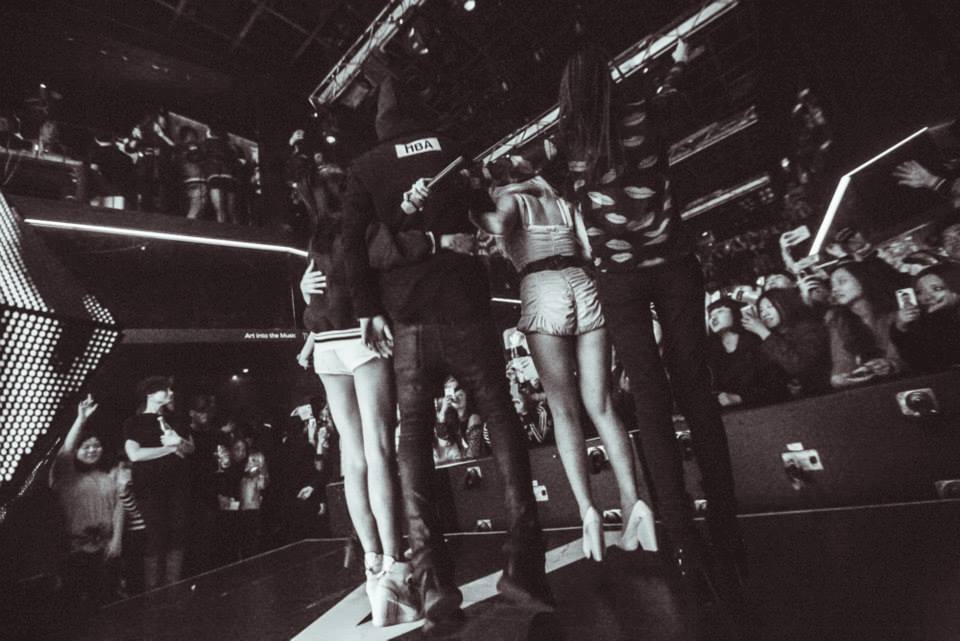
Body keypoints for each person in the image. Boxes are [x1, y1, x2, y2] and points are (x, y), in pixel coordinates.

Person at [342, 76, 550, 633]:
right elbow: (485, 217)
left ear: (381, 118)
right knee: (501, 418)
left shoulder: (365, 167)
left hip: (406, 316)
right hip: (466, 308)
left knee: (412, 438)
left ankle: (433, 581)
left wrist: (367, 310)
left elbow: (350, 244)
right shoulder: (452, 150)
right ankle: (524, 569)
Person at [554, 40, 744, 589]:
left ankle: (683, 541)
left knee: (651, 404)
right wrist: (680, 60)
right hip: (674, 265)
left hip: (620, 282)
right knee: (696, 392)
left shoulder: (566, 145)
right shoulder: (646, 113)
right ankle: (727, 530)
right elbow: (676, 93)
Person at [472, 168, 651, 561]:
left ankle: (588, 512)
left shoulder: (511, 199)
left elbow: (496, 225)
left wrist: (467, 205)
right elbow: (588, 250)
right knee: (602, 405)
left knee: (563, 411)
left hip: (542, 288)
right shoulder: (562, 203)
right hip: (583, 284)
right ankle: (634, 503)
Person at [298, 161, 420, 627]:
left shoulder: (315, 238)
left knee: (352, 457)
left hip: (326, 347)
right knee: (379, 448)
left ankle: (371, 566)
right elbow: (389, 264)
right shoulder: (363, 228)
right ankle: (394, 566)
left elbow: (316, 293)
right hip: (362, 340)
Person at [49, 395, 123, 604]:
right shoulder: (65, 476)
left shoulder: (107, 477)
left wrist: (116, 540)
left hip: (106, 549)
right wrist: (80, 420)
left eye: (96, 445)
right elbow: (66, 450)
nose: (93, 450)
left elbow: (118, 509)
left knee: (106, 602)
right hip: (76, 551)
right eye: (86, 447)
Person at [123, 376, 194, 590]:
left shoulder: (176, 420)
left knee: (177, 533)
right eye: (165, 389)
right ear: (150, 394)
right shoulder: (134, 422)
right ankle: (153, 591)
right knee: (156, 535)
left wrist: (179, 442)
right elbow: (134, 454)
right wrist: (169, 449)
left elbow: (190, 449)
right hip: (149, 487)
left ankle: (173, 586)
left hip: (176, 485)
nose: (171, 393)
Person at [825, 261, 905, 388]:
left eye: (842, 281)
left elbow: (901, 356)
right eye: (832, 285)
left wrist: (890, 364)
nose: (835, 289)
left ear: (863, 280)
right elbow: (841, 360)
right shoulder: (838, 320)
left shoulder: (893, 313)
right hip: (868, 387)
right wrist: (839, 378)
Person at [742, 288, 832, 396]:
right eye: (761, 310)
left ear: (783, 305)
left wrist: (763, 332)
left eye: (769, 307)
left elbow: (799, 365)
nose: (765, 313)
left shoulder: (808, 329)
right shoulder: (769, 338)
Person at [706, 299, 791, 408]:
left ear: (735, 313)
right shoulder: (711, 351)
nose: (714, 317)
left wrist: (741, 398)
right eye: (711, 315)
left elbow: (778, 386)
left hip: (766, 410)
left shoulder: (755, 341)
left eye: (720, 311)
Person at [891, 263, 960, 373]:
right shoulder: (928, 322)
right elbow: (922, 365)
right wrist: (901, 327)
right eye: (919, 292)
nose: (927, 297)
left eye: (937, 289)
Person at [174, 127, 207, 219]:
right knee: (196, 209)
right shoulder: (193, 146)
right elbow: (196, 157)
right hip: (197, 179)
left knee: (191, 209)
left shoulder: (179, 149)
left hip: (186, 180)